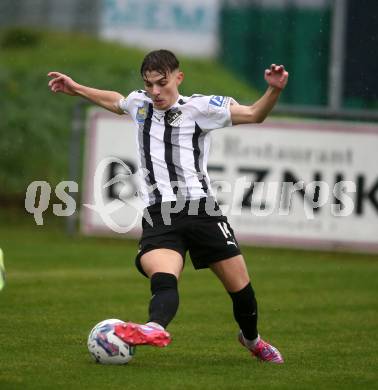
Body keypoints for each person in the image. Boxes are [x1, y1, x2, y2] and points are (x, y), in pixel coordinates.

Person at [48, 49, 288, 364]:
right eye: (149, 85)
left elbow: (255, 114)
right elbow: (117, 101)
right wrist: (76, 87)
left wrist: (274, 89)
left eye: (162, 83)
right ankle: (153, 327)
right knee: (164, 279)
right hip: (160, 214)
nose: (155, 92)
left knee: (240, 289)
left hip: (202, 211)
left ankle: (252, 339)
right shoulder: (141, 104)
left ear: (178, 77)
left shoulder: (200, 108)